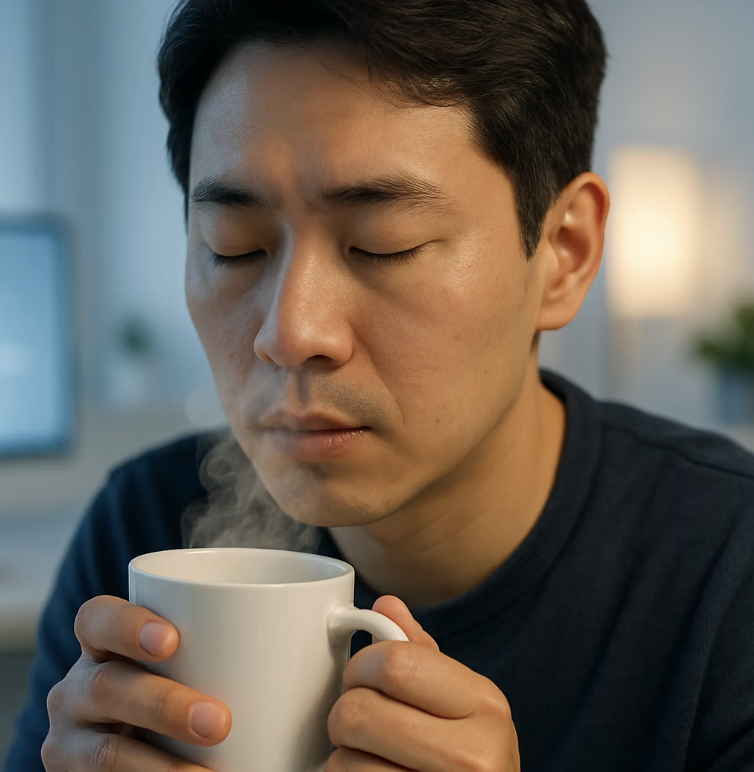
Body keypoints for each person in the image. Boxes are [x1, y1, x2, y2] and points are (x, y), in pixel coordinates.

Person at [6, 0, 754, 769]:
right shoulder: (145, 532)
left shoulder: (727, 572)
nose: (289, 334)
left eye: (383, 246)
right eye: (232, 250)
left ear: (564, 252)